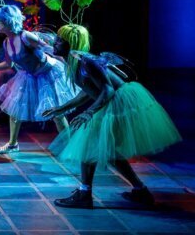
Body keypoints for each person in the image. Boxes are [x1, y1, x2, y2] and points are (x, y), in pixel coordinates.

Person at [42, 24, 181, 208]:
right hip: (111, 101)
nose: (55, 42)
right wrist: (61, 108)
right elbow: (88, 91)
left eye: (60, 40)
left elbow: (107, 90)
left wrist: (89, 112)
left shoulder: (85, 61)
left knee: (89, 145)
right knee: (109, 150)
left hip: (120, 102)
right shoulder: (74, 62)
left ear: (71, 44)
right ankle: (140, 191)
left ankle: (85, 194)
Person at [0, 5, 78, 154]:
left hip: (48, 74)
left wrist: (70, 65)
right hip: (28, 75)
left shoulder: (25, 36)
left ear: (8, 21)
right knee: (14, 109)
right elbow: (8, 64)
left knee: (57, 113)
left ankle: (70, 147)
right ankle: (12, 144)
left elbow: (51, 50)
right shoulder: (6, 42)